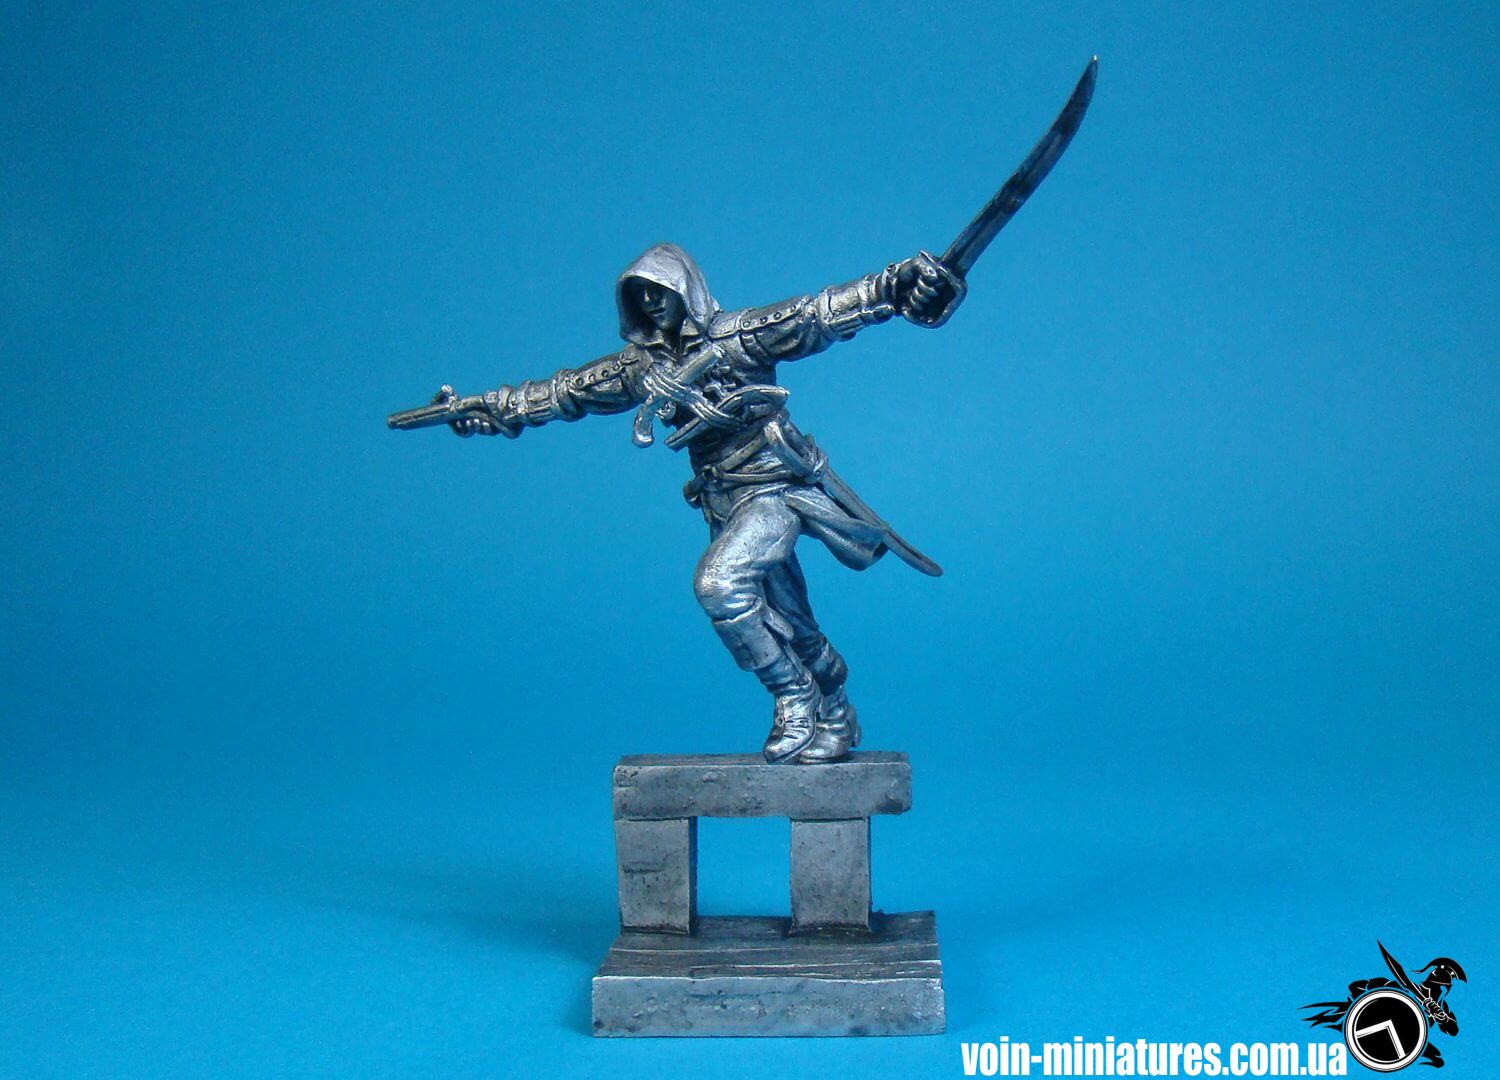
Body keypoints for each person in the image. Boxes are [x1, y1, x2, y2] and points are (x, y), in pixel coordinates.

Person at [443, 242, 963, 763]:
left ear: (684, 288)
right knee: (792, 622)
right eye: (639, 294)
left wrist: (893, 286)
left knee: (720, 585)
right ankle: (838, 714)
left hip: (774, 488)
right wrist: (491, 411)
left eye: (659, 290)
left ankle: (793, 695)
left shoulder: (740, 336)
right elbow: (564, 393)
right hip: (720, 502)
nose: (651, 301)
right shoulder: (639, 368)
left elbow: (816, 314)